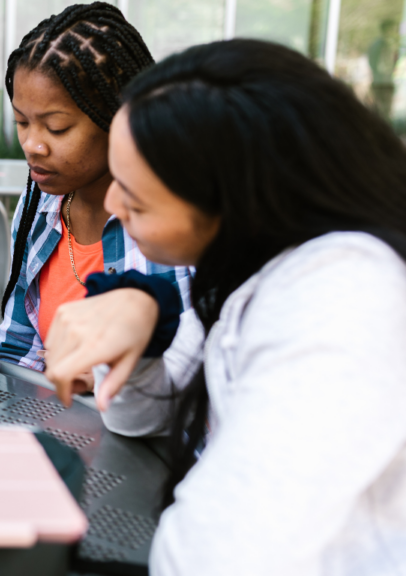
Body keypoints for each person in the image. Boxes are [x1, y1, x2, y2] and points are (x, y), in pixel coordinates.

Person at [43, 39, 406, 574]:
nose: (114, 205)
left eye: (135, 198)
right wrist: (146, 324)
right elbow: (134, 416)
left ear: (239, 203)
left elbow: (219, 552)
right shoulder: (251, 269)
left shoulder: (345, 297)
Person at [0, 2, 192, 378]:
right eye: (22, 122)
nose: (32, 145)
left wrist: (111, 375)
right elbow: (19, 347)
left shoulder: (174, 220)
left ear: (118, 117)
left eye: (56, 128)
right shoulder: (39, 203)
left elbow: (194, 366)